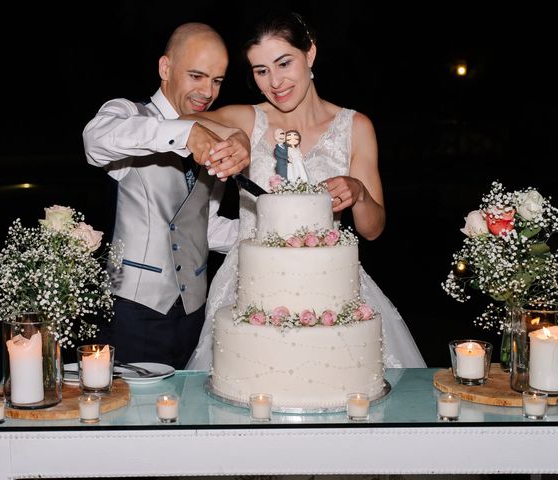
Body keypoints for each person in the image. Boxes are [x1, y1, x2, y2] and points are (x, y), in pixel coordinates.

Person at [185, 12, 426, 370]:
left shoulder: (354, 127)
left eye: (284, 63)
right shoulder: (247, 120)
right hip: (251, 287)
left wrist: (358, 192)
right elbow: (171, 120)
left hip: (329, 290)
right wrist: (232, 137)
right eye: (261, 71)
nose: (275, 82)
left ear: (309, 54)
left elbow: (373, 229)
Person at [82, 22, 250, 370]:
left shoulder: (211, 133)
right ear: (165, 68)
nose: (208, 91)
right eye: (197, 76)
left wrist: (275, 237)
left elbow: (204, 226)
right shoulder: (129, 115)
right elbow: (94, 140)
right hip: (132, 310)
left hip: (195, 313)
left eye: (217, 80)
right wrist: (186, 133)